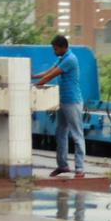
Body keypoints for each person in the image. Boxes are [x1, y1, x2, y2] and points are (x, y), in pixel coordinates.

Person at [32, 35, 85, 178]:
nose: (54, 51)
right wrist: (33, 77)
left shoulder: (70, 59)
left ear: (63, 47)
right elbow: (48, 72)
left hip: (72, 101)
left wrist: (35, 87)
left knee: (76, 134)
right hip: (62, 101)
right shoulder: (62, 58)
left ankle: (80, 169)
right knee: (61, 132)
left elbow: (50, 76)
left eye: (55, 49)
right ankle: (62, 166)